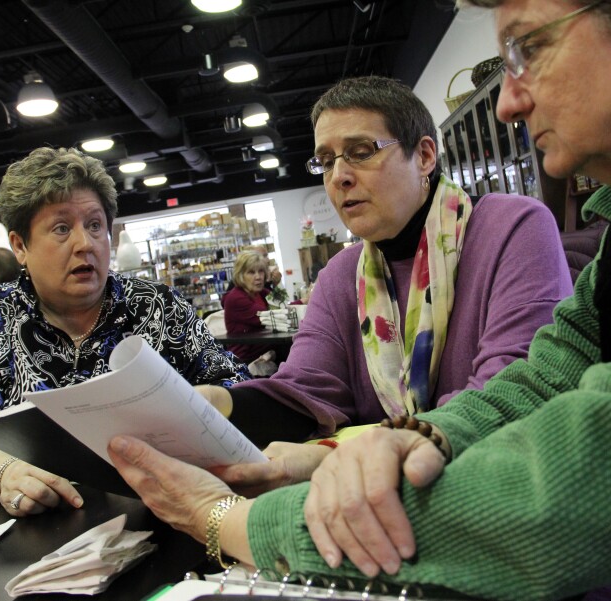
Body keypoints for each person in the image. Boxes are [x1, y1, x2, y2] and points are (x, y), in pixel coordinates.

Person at [108, 1, 611, 599]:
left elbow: (587, 471)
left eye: (531, 50)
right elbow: (542, 378)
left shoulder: (516, 226)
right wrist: (416, 436)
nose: (508, 104)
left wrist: (234, 520)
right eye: (326, 160)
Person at [198, 75, 572, 490]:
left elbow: (512, 389)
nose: (338, 176)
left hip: (505, 489)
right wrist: (220, 403)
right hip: (384, 504)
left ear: (425, 156)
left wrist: (333, 455)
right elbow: (305, 391)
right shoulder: (342, 275)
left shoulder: (512, 227)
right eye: (325, 161)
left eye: (360, 152)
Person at [0, 146, 250, 518]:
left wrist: (200, 404)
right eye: (61, 228)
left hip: (172, 511)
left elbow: (236, 385)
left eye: (94, 225)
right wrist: (4, 473)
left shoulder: (158, 306)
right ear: (20, 245)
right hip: (47, 528)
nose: (85, 243)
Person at [221, 250, 277, 364]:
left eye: (261, 271)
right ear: (241, 276)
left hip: (266, 352)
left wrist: (304, 301)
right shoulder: (236, 299)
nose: (258, 277)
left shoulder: (262, 293)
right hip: (247, 361)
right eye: (251, 272)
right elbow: (270, 316)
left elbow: (282, 306)